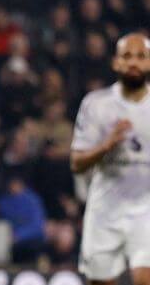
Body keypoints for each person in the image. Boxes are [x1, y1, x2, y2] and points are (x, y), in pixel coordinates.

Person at [70, 33, 150, 285]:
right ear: (116, 63)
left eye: (141, 56)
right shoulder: (97, 105)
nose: (134, 63)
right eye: (127, 56)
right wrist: (106, 145)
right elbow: (77, 163)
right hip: (105, 210)